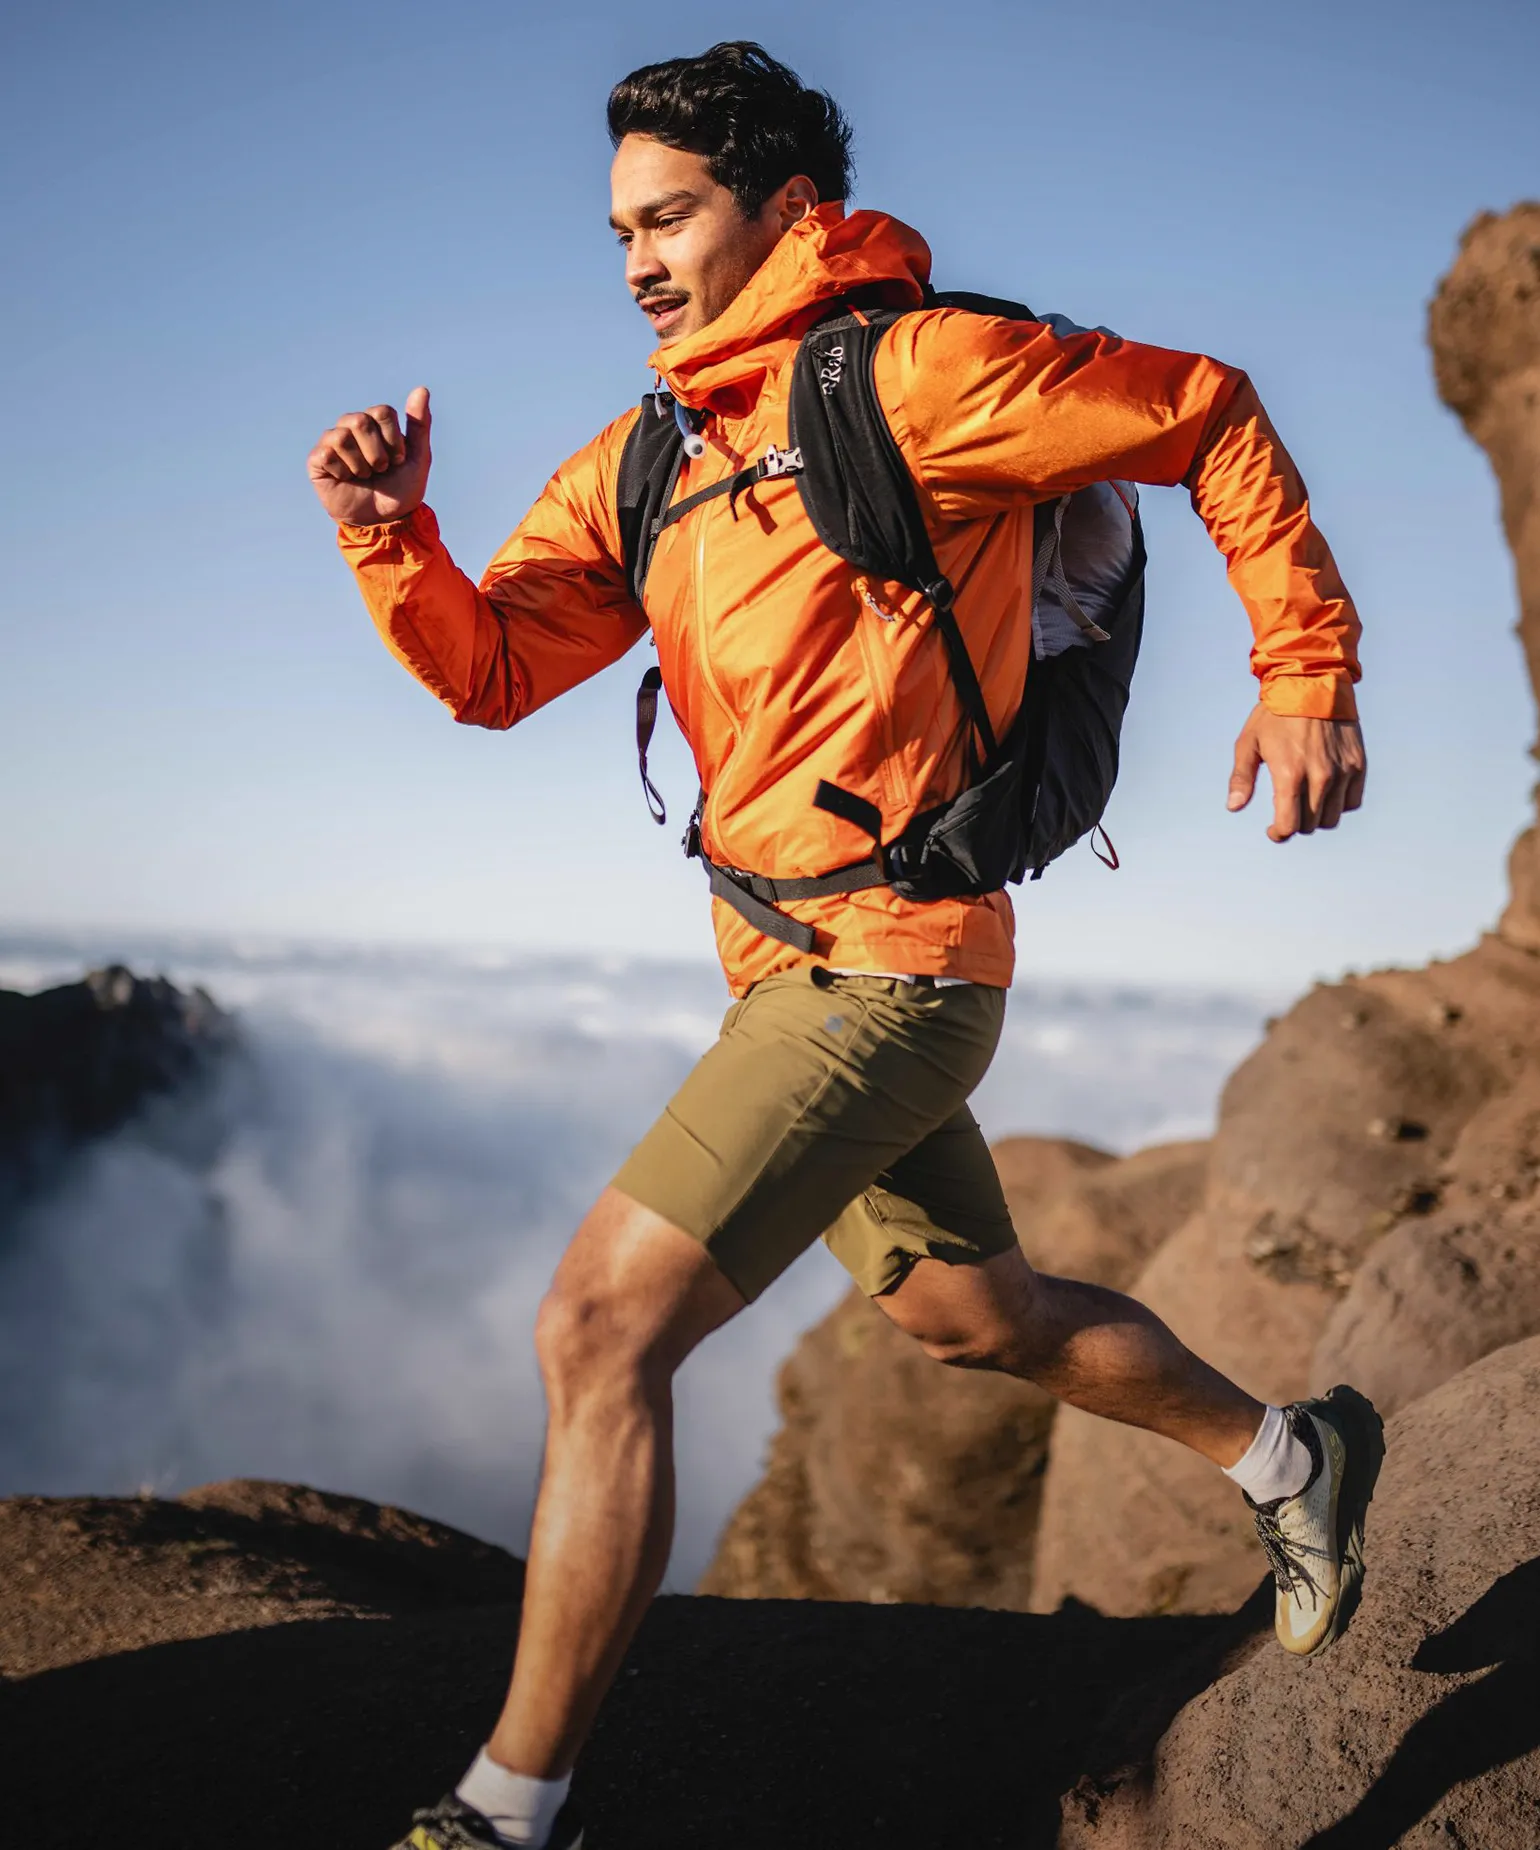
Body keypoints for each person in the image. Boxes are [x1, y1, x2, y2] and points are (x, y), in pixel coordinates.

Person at [308, 42, 1381, 1850]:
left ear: (784, 206)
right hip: (776, 969)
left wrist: (1305, 669)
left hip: (896, 969)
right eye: (622, 229)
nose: (638, 257)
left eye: (672, 217)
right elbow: (495, 672)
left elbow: (1203, 405)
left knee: (596, 1328)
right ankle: (1296, 1458)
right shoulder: (653, 456)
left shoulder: (921, 374)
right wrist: (383, 532)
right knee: (977, 1316)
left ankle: (505, 1814)